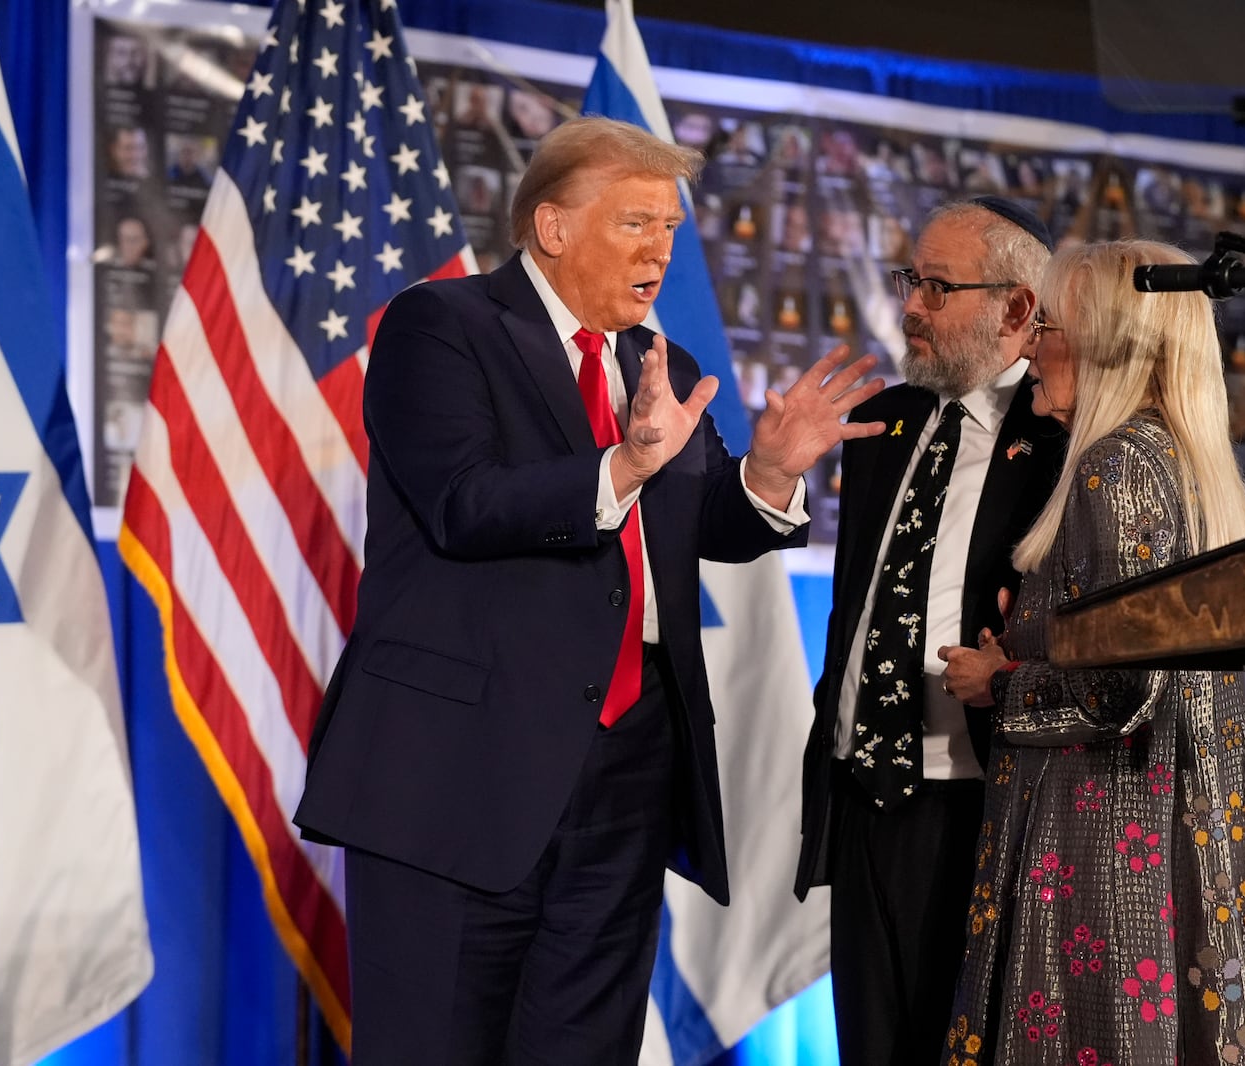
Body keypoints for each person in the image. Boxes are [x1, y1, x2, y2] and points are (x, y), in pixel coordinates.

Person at [292, 116, 887, 1066]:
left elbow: (695, 526)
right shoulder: (441, 327)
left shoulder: (663, 366)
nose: (660, 249)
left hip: (626, 778)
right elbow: (463, 503)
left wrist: (768, 475)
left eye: (670, 229)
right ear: (553, 228)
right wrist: (626, 462)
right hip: (458, 776)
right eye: (637, 223)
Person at [937, 239, 1245, 1065]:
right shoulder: (1179, 458)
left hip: (1113, 837)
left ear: (1104, 342)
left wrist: (1003, 680)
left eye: (1048, 325)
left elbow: (1121, 688)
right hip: (1179, 818)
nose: (1029, 348)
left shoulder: (1116, 467)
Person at [795, 196, 1066, 1066]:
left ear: (1017, 309)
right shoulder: (884, 425)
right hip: (862, 795)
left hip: (983, 805)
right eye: (911, 281)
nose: (911, 305)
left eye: (937, 288)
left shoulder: (1061, 438)